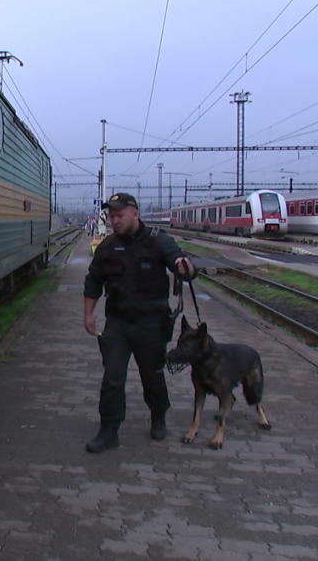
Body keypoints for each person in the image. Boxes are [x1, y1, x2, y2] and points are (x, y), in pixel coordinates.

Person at [82, 193, 196, 452]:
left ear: (135, 213)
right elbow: (93, 280)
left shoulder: (158, 241)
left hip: (151, 325)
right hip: (118, 324)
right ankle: (109, 430)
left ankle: (158, 414)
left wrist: (184, 267)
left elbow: (184, 267)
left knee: (152, 376)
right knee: (112, 378)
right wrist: (88, 314)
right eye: (111, 216)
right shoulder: (108, 246)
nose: (115, 221)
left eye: (119, 215)